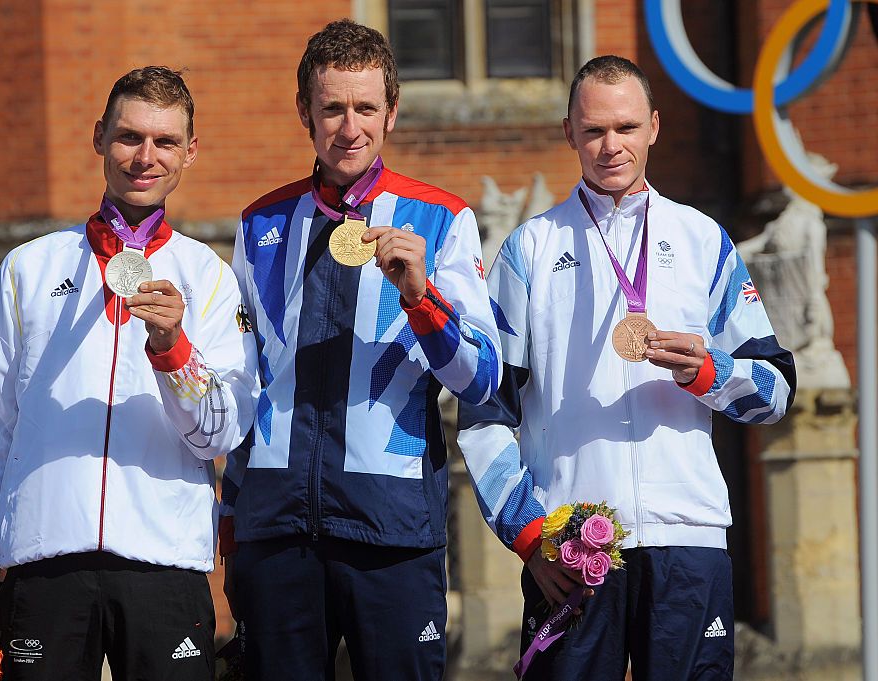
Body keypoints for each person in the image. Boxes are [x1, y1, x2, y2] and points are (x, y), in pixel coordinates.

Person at [457, 55, 796, 681]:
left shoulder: (703, 241)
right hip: (575, 544)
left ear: (654, 127)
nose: (611, 146)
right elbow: (484, 414)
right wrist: (530, 535)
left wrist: (708, 372)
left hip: (687, 537)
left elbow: (775, 392)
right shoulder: (528, 249)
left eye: (626, 128)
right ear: (569, 133)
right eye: (593, 131)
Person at [0, 66, 259, 681]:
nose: (145, 157)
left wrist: (174, 350)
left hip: (164, 564)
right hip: (45, 559)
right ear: (99, 138)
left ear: (189, 154)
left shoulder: (212, 277)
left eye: (165, 143)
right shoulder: (28, 268)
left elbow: (220, 435)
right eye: (129, 137)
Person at [219, 19, 500, 681]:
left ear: (392, 112)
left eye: (366, 108)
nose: (350, 127)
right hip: (276, 529)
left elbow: (482, 379)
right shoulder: (260, 221)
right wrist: (229, 525)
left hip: (391, 530)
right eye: (333, 108)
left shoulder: (442, 218)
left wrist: (422, 297)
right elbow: (242, 379)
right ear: (305, 113)